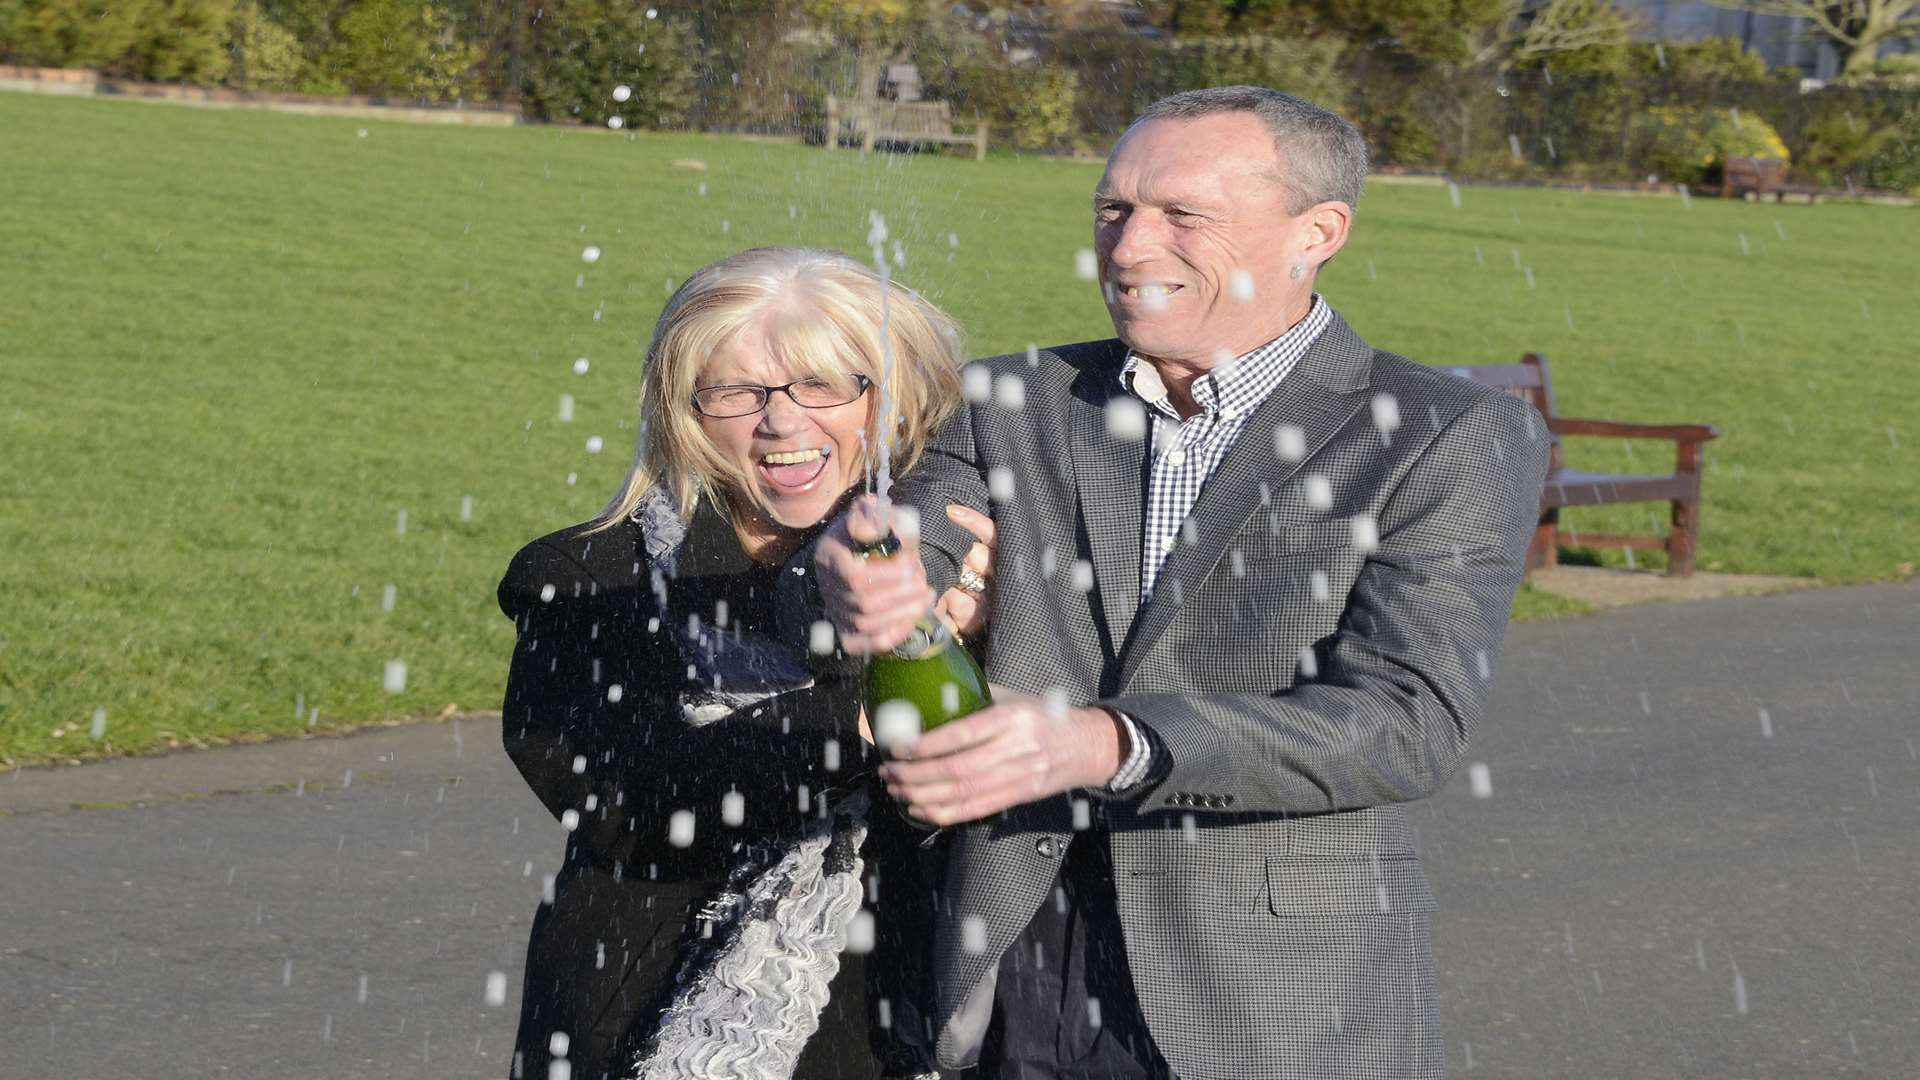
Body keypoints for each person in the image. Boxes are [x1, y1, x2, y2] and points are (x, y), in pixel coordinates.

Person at [811, 87, 1553, 1079]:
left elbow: (1400, 723)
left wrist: (1105, 741)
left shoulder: (1439, 435)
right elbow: (919, 536)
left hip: (1266, 998)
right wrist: (878, 571)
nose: (1126, 247)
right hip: (1014, 960)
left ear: (1317, 232)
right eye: (1112, 210)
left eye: (1180, 216)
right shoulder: (1010, 402)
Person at [496, 246, 995, 1080]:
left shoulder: (964, 559)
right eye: (735, 393)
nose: (783, 422)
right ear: (682, 409)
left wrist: (972, 632)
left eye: (825, 385)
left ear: (894, 399)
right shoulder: (588, 580)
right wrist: (872, 714)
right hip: (646, 1016)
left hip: (894, 1022)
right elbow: (629, 806)